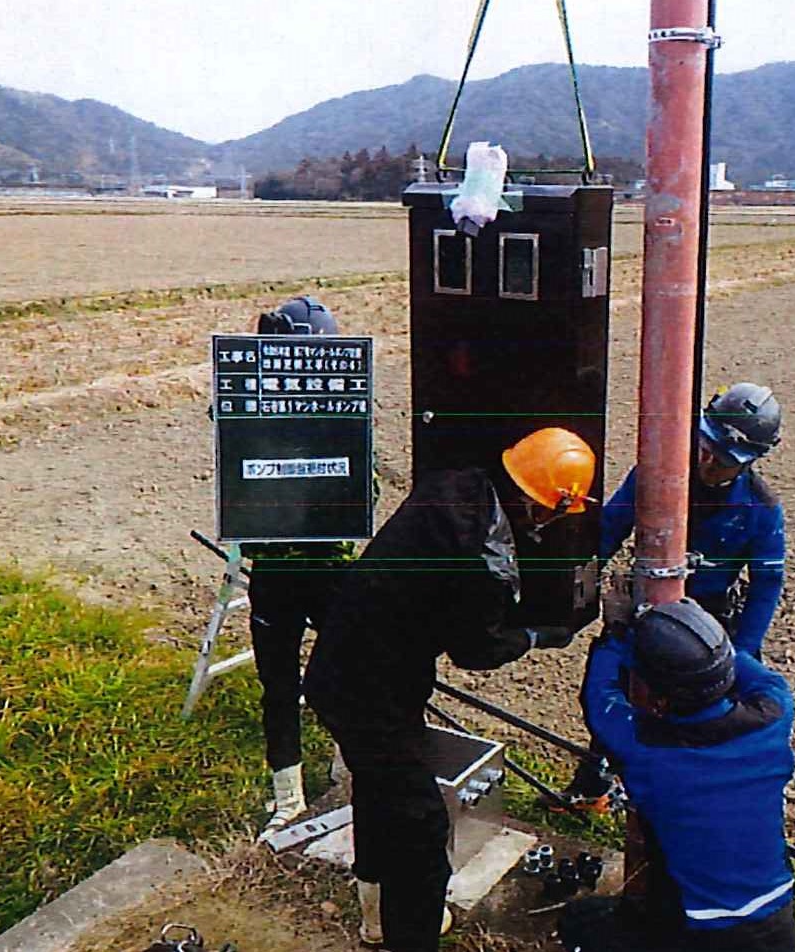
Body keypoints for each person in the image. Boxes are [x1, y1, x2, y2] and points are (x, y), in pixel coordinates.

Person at [302, 426, 597, 952]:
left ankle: (376, 918)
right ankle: (409, 937)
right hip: (370, 692)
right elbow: (474, 651)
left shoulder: (456, 486)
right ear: (536, 507)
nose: (548, 526)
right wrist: (533, 634)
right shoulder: (479, 554)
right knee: (419, 828)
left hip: (349, 668)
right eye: (552, 514)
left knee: (378, 793)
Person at [558, 382, 787, 811]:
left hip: (707, 629)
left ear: (750, 460)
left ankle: (667, 800)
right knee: (615, 693)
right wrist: (574, 596)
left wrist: (743, 654)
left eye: (720, 459)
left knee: (688, 715)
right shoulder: (657, 473)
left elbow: (766, 584)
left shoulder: (760, 509)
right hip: (644, 613)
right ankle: (594, 785)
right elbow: (609, 529)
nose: (706, 462)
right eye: (703, 446)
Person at [559, 598, 795, 952]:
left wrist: (616, 636)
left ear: (659, 699)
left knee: (579, 924)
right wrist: (697, 635)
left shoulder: (648, 750)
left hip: (700, 932)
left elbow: (599, 699)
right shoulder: (773, 713)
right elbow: (747, 668)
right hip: (777, 921)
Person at [242, 295, 354, 843]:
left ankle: (347, 767)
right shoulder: (246, 408)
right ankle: (288, 796)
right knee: (279, 685)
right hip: (280, 572)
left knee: (348, 673)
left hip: (329, 566)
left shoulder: (344, 411)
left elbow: (363, 488)